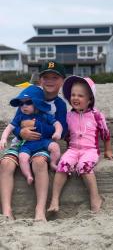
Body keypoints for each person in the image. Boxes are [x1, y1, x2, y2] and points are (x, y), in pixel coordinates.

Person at [0, 60, 67, 221]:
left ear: (62, 80)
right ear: (40, 80)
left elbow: (62, 130)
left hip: (42, 144)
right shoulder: (30, 94)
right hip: (21, 142)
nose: (49, 81)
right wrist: (21, 131)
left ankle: (39, 210)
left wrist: (38, 125)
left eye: (54, 77)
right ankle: (7, 211)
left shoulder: (59, 104)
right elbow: (17, 121)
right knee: (5, 164)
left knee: (39, 163)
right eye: (46, 77)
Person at [48, 76, 113, 213]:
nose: (75, 98)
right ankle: (54, 200)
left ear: (89, 99)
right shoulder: (68, 116)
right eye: (73, 95)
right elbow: (66, 134)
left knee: (83, 167)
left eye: (80, 95)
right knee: (63, 165)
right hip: (73, 149)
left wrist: (108, 150)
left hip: (90, 150)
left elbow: (105, 133)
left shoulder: (96, 115)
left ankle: (95, 198)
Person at [0, 85, 62, 185]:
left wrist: (57, 132)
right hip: (27, 144)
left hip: (42, 141)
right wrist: (3, 138)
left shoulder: (44, 115)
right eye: (21, 103)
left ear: (37, 103)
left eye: (28, 102)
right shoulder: (20, 117)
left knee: (55, 147)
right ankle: (28, 175)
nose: (24, 106)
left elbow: (57, 124)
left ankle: (53, 163)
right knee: (22, 157)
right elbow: (10, 127)